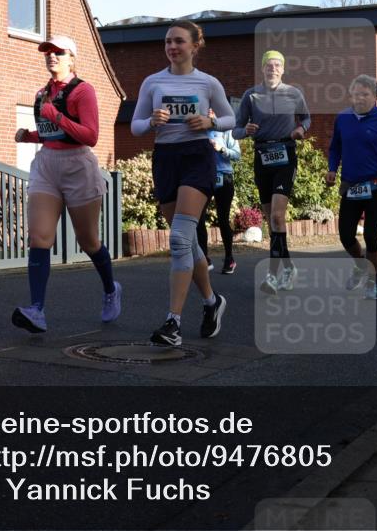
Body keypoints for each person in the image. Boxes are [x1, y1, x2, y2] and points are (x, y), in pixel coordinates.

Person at [130, 20, 234, 346]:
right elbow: (134, 125)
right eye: (167, 42)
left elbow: (231, 118)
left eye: (178, 41)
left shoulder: (207, 83)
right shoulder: (152, 82)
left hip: (196, 159)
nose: (172, 47)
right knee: (188, 243)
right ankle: (211, 302)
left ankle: (172, 323)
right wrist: (151, 121)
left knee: (178, 239)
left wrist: (210, 121)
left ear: (194, 46)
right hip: (165, 159)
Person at [12, 35, 121, 333]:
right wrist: (29, 135)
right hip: (47, 164)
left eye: (58, 53)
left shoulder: (83, 91)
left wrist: (56, 116)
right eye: (47, 52)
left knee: (88, 241)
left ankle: (111, 289)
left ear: (72, 58)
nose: (52, 57)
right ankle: (37, 310)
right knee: (39, 237)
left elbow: (90, 136)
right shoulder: (41, 93)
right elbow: (51, 133)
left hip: (78, 166)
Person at [234, 50, 310, 295]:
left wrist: (301, 129)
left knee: (278, 216)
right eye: (269, 65)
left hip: (286, 154)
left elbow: (307, 119)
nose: (273, 69)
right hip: (262, 156)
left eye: (277, 65)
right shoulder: (251, 95)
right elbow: (235, 129)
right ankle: (288, 268)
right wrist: (245, 129)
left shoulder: (293, 93)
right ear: (263, 69)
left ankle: (273, 275)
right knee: (271, 220)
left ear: (283, 69)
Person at [326, 75, 377, 301]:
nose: (359, 98)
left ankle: (372, 282)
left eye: (365, 94)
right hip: (351, 185)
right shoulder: (342, 119)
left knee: (371, 235)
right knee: (345, 235)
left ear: (375, 97)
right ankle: (361, 266)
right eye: (356, 94)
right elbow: (335, 148)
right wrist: (332, 168)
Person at [196, 122, 241, 274]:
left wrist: (221, 149)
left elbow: (237, 154)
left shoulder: (226, 130)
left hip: (224, 177)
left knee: (223, 219)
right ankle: (205, 259)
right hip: (204, 177)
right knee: (199, 218)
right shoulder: (198, 130)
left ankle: (229, 259)